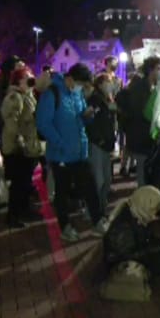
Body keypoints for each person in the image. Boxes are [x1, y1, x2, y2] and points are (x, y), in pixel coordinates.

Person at [36, 63, 109, 242]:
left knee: (90, 187)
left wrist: (87, 116)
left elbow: (79, 119)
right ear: (70, 79)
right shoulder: (52, 93)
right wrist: (60, 142)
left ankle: (98, 220)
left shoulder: (76, 93)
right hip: (61, 154)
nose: (81, 89)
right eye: (80, 84)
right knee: (62, 192)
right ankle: (65, 227)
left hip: (80, 152)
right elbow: (43, 123)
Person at [103, 186, 160, 278]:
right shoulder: (124, 226)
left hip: (140, 251)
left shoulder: (140, 214)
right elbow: (127, 255)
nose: (155, 215)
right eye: (154, 210)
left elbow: (147, 238)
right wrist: (158, 248)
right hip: (124, 262)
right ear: (145, 204)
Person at [0, 67, 44, 228]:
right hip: (17, 148)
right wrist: (20, 142)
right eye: (28, 77)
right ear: (19, 81)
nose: (32, 79)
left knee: (25, 181)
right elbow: (12, 122)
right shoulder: (15, 97)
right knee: (18, 183)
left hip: (28, 145)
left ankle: (24, 210)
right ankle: (13, 215)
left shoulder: (28, 96)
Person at [124, 56, 160, 186]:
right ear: (151, 70)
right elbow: (141, 113)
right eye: (158, 68)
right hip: (140, 137)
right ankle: (142, 204)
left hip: (149, 138)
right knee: (142, 176)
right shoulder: (139, 88)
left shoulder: (153, 86)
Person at [86, 73, 117, 214]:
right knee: (98, 180)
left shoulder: (105, 99)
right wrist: (99, 139)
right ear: (99, 84)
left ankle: (101, 208)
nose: (110, 84)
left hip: (105, 144)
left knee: (106, 179)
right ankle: (92, 211)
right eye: (107, 82)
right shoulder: (95, 99)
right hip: (98, 145)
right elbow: (91, 123)